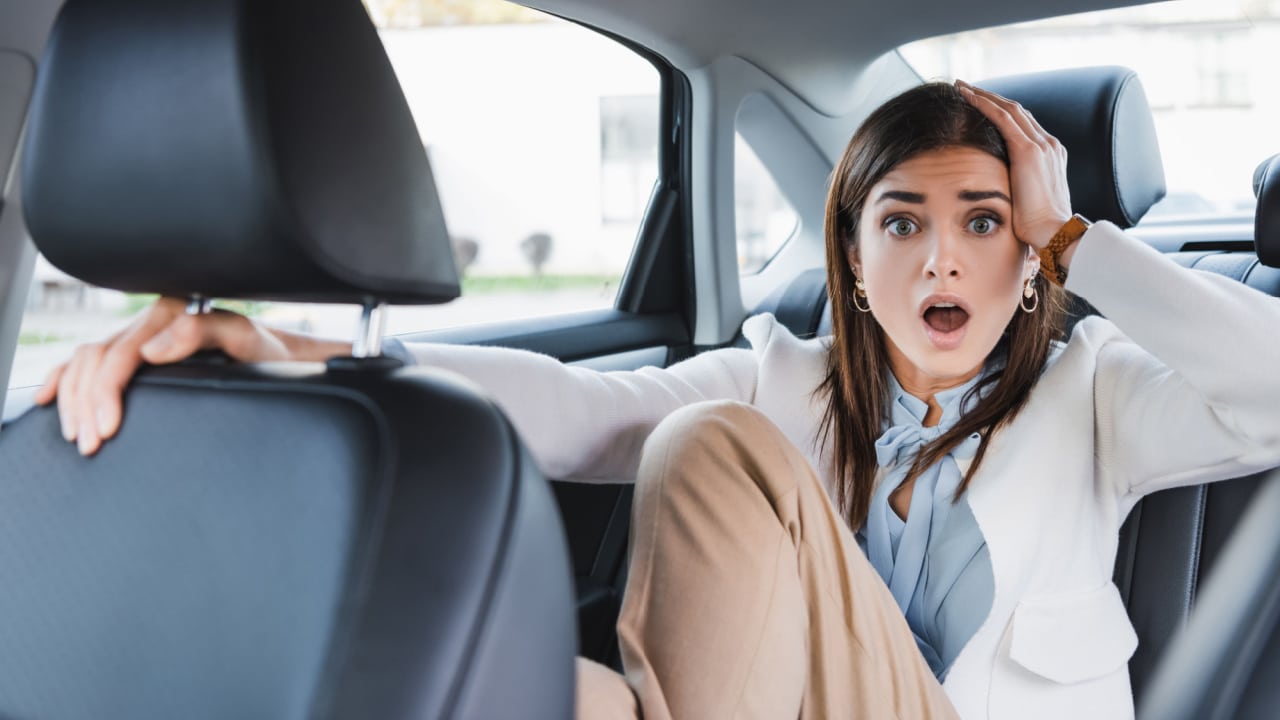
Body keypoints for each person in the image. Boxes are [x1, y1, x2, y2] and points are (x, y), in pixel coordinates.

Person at [35, 80, 1280, 719]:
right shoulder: (779, 380)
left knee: (705, 442)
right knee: (506, 678)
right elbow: (573, 413)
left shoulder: (1096, 398)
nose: (940, 259)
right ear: (851, 259)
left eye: (983, 224)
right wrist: (292, 354)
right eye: (900, 222)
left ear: (1026, 261)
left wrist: (1082, 238)